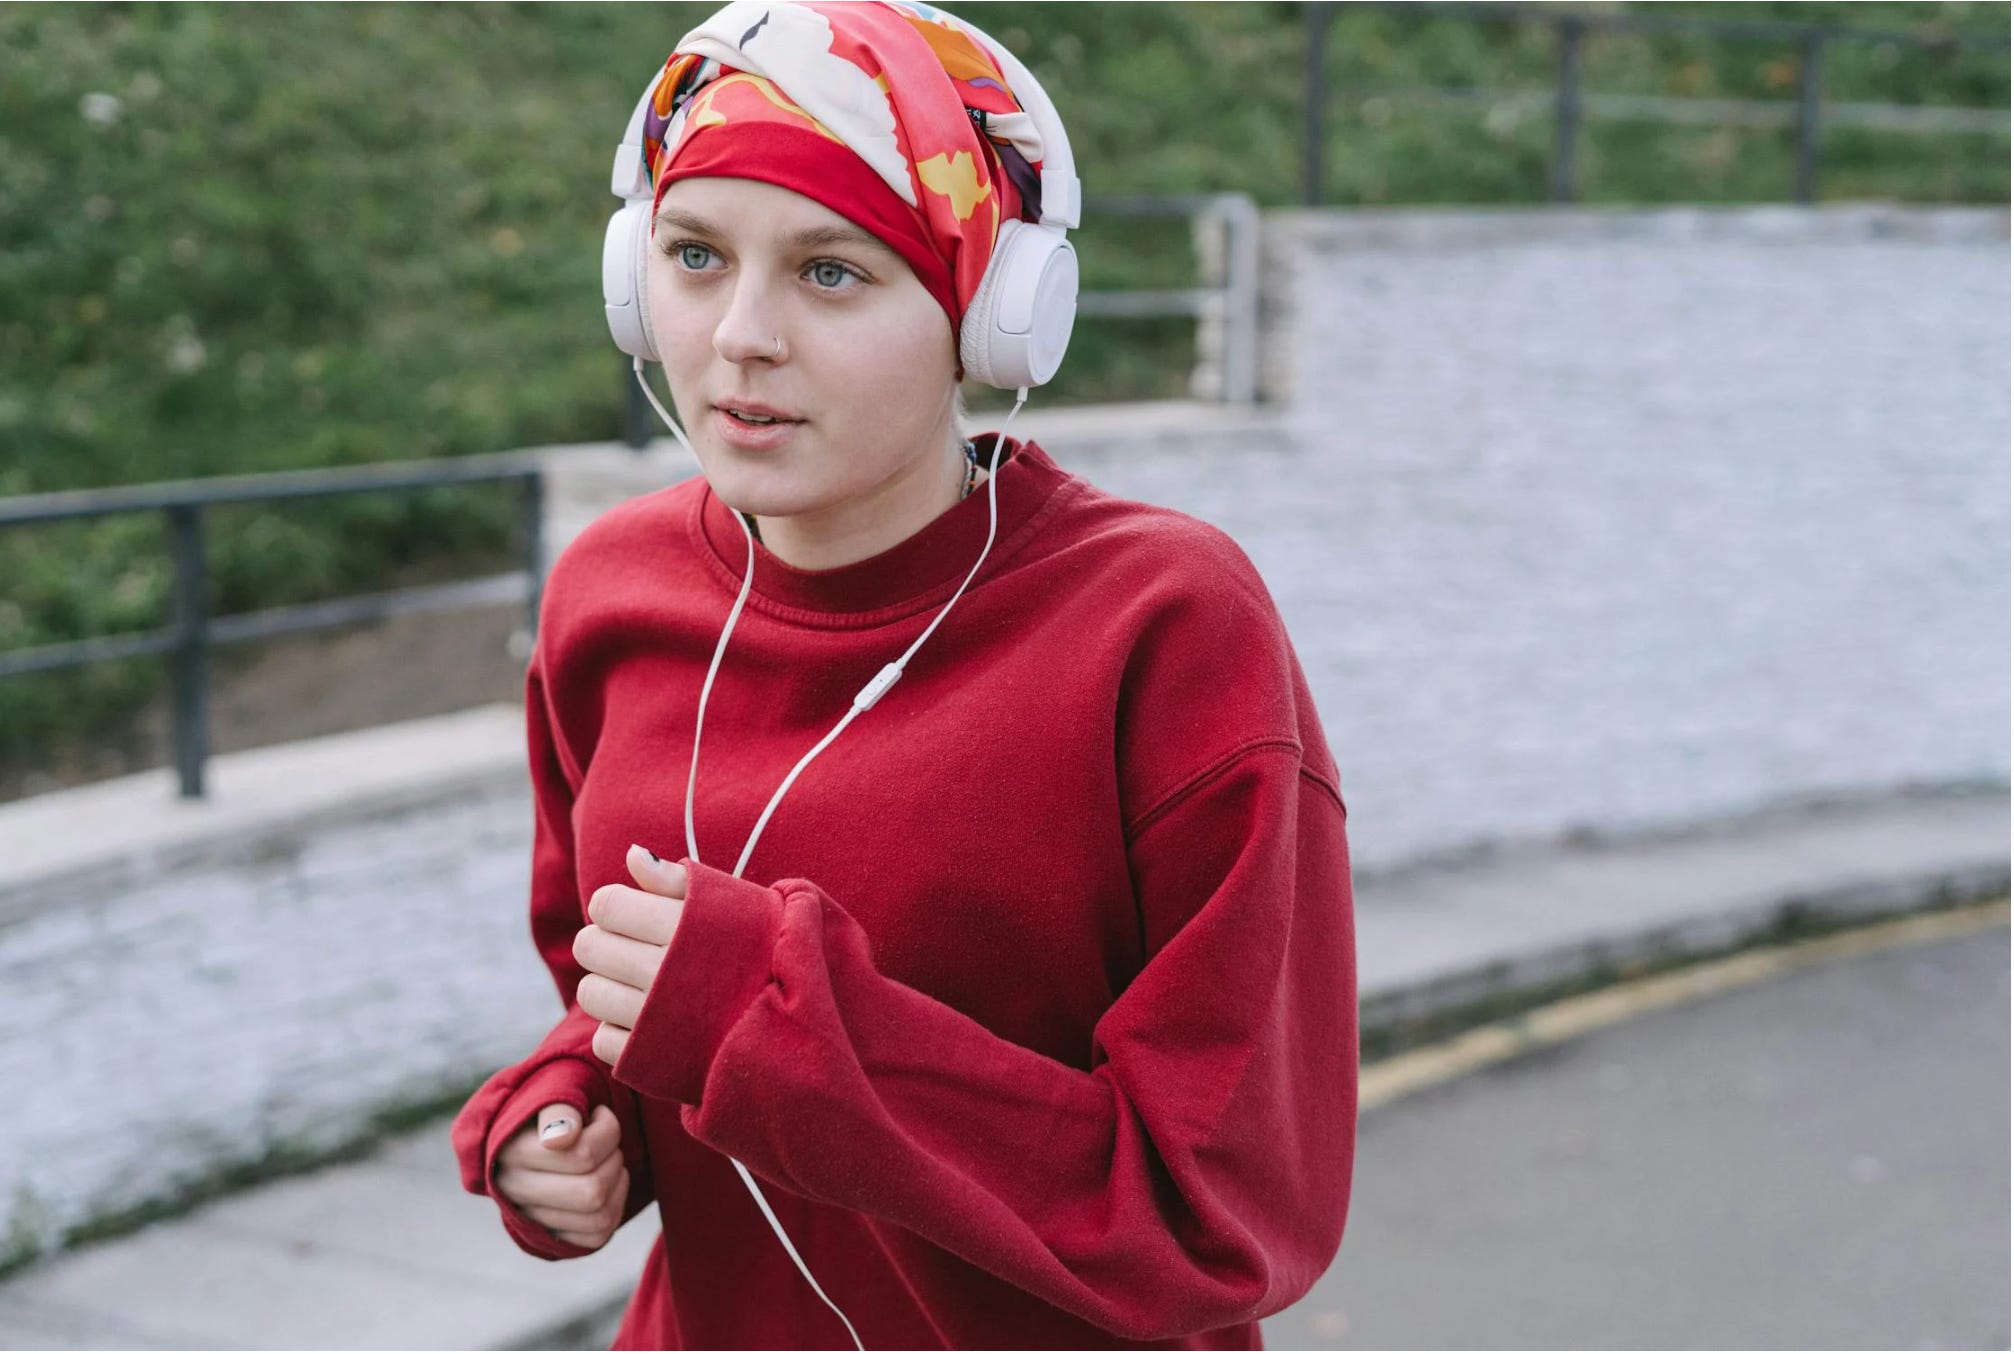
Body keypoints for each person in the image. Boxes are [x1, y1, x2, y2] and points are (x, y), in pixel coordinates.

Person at [451, 2, 1357, 1348]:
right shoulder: (609, 593)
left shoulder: (1162, 625)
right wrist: (573, 1114)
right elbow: (618, 994)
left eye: (830, 271)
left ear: (991, 318)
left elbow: (1223, 1214)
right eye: (694, 256)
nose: (740, 335)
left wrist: (761, 1015)